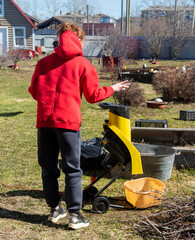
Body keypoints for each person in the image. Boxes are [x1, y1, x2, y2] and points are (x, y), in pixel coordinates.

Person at [28, 23, 130, 230]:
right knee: (72, 168)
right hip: (68, 123)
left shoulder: (43, 62)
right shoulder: (82, 64)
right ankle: (75, 215)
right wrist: (113, 88)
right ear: (79, 40)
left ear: (60, 38)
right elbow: (93, 96)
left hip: (45, 122)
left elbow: (34, 91)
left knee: (48, 167)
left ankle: (55, 209)